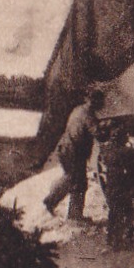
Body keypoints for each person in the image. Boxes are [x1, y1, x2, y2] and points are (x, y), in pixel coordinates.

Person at [43, 87, 106, 220]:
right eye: (101, 101)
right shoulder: (88, 115)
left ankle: (50, 201)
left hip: (65, 148)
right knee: (79, 183)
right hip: (74, 152)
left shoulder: (78, 109)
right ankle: (75, 216)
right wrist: (108, 127)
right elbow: (99, 135)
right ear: (95, 101)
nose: (103, 104)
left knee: (69, 178)